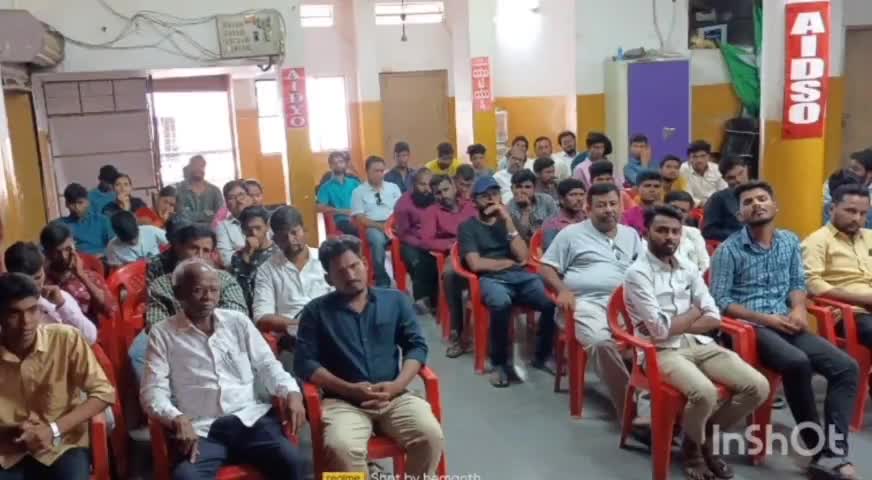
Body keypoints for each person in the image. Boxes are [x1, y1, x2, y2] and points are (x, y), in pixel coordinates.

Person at [710, 181, 860, 479]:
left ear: (775, 206)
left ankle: (835, 451)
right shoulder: (729, 250)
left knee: (846, 367)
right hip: (750, 327)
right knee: (797, 363)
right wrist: (766, 320)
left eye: (762, 198)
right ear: (740, 215)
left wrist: (799, 309)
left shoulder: (789, 241)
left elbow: (797, 283)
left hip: (787, 322)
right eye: (748, 202)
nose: (756, 204)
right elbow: (721, 301)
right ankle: (818, 450)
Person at [624, 206, 769, 480]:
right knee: (704, 393)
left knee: (757, 387)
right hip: (658, 351)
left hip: (698, 342)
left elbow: (713, 316)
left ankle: (701, 440)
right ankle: (694, 453)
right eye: (662, 230)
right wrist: (693, 310)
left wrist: (678, 322)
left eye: (675, 231)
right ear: (646, 233)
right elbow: (659, 332)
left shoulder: (688, 267)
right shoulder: (637, 273)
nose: (669, 237)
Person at [141, 260, 306, 480]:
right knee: (186, 476)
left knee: (292, 462)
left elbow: (267, 365)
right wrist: (176, 417)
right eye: (198, 290)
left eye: (214, 290)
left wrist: (291, 391)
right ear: (179, 294)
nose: (208, 297)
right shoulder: (163, 333)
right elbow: (152, 392)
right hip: (202, 429)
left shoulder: (237, 322)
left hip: (250, 419)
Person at [294, 236, 444, 475]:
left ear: (365, 264)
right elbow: (305, 362)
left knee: (431, 435)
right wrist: (348, 389)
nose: (350, 275)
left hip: (394, 397)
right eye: (340, 271)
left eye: (354, 266)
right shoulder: (316, 311)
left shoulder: (395, 300)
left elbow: (416, 346)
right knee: (339, 447)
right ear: (328, 279)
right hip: (342, 402)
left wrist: (397, 386)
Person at [540, 182, 643, 424]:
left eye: (613, 204)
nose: (609, 210)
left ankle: (656, 406)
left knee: (660, 337)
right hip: (586, 303)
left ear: (621, 206)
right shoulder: (571, 234)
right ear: (588, 209)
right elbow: (545, 267)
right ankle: (630, 411)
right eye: (601, 205)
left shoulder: (630, 235)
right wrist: (562, 290)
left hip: (627, 304)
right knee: (600, 342)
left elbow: (642, 268)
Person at [0, 273, 115, 480]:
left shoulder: (66, 339)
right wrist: (11, 431)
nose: (26, 323)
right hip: (7, 450)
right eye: (14, 314)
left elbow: (104, 393)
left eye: (32, 310)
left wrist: (52, 429)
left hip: (62, 445)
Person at [458, 177, 557, 386]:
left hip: (519, 276)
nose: (491, 200)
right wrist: (506, 262)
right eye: (485, 196)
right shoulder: (467, 227)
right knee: (501, 304)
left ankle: (542, 356)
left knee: (550, 303)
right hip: (490, 278)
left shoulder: (508, 220)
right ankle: (499, 364)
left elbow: (523, 256)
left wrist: (508, 222)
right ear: (474, 201)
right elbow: (476, 264)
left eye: (494, 194)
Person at [129, 224, 247, 382]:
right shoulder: (162, 285)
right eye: (194, 248)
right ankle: (163, 395)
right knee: (138, 352)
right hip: (176, 341)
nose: (199, 256)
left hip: (219, 340)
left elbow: (235, 318)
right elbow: (156, 325)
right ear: (179, 249)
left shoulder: (224, 280)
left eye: (206, 251)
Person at [803, 184, 872, 350]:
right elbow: (811, 283)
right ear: (832, 208)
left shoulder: (869, 237)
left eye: (863, 213)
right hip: (850, 313)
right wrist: (863, 299)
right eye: (850, 211)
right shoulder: (817, 241)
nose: (857, 218)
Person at [253, 206, 332, 348]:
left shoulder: (326, 259)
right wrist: (303, 326)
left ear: (305, 231)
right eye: (283, 236)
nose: (290, 240)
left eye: (294, 232)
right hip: (292, 337)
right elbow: (262, 317)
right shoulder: (267, 270)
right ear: (275, 240)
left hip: (330, 328)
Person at [419, 175, 478, 356]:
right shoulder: (431, 212)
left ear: (453, 186)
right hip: (454, 255)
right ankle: (457, 333)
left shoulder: (470, 206)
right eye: (438, 193)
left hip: (478, 251)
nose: (443, 195)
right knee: (451, 276)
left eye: (446, 189)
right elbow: (427, 241)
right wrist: (453, 244)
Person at [3, 243, 96, 345]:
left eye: (38, 277)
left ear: (44, 270)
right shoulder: (5, 309)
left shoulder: (60, 298)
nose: (33, 286)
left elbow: (90, 338)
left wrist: (62, 306)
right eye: (26, 281)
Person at [39, 223, 115, 322]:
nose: (63, 256)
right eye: (57, 252)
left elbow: (109, 311)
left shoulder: (89, 275)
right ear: (47, 253)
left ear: (73, 246)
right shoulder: (42, 279)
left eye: (67, 249)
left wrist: (82, 276)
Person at [351, 156, 402, 287]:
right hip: (372, 225)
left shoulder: (393, 188)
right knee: (377, 240)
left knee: (409, 239)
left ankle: (401, 276)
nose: (380, 174)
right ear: (367, 172)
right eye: (376, 171)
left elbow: (402, 210)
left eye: (382, 171)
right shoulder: (358, 192)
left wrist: (393, 224)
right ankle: (382, 278)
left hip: (394, 224)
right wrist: (381, 226)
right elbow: (360, 218)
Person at [394, 169, 438, 310]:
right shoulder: (403, 204)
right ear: (414, 185)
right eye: (422, 184)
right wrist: (422, 244)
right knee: (419, 262)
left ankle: (439, 300)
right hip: (412, 242)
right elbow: (403, 234)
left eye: (430, 185)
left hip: (435, 240)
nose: (427, 189)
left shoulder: (437, 197)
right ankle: (423, 300)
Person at [228, 206, 279, 315]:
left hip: (274, 310)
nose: (254, 233)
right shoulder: (238, 256)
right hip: (247, 313)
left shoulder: (279, 253)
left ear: (267, 226)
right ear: (242, 230)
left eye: (258, 228)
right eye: (248, 229)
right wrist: (246, 256)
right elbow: (237, 291)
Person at [701, 156, 749, 242]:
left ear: (746, 169)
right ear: (724, 179)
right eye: (731, 178)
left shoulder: (760, 193)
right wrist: (739, 235)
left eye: (740, 173)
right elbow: (708, 231)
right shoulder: (718, 198)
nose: (738, 180)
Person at [57, 183, 113, 256]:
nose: (77, 207)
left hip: (102, 259)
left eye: (80, 203)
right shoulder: (60, 225)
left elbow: (115, 246)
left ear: (88, 202)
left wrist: (103, 255)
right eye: (72, 203)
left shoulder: (103, 221)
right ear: (66, 204)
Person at [507, 170, 559, 244]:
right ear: (512, 189)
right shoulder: (508, 208)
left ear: (534, 189)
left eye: (527, 187)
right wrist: (526, 212)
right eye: (518, 187)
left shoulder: (546, 200)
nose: (523, 191)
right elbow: (520, 238)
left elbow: (556, 226)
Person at [664, 191, 711, 273]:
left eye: (683, 210)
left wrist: (696, 278)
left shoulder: (694, 233)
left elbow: (705, 263)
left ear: (689, 213)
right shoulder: (654, 232)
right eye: (674, 208)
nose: (677, 212)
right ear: (664, 208)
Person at [317, 151, 362, 236]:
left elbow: (366, 197)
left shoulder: (354, 183)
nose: (338, 165)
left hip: (359, 217)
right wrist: (342, 211)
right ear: (330, 166)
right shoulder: (326, 187)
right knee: (353, 229)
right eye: (334, 163)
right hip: (342, 220)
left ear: (345, 164)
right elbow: (319, 207)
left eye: (341, 162)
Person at [823, 148, 872, 223]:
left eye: (855, 169)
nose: (850, 171)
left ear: (869, 174)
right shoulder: (836, 181)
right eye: (849, 167)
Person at [174, 155, 224, 225]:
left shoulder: (215, 191)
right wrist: (207, 215)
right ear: (189, 168)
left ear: (204, 168)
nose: (198, 169)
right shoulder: (177, 190)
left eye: (201, 166)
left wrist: (190, 215)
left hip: (211, 231)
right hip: (186, 231)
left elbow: (221, 217)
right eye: (195, 165)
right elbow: (180, 216)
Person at [215, 180, 254, 267]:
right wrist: (246, 251)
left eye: (241, 195)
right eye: (232, 197)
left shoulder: (265, 220)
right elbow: (226, 261)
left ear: (250, 198)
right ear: (226, 204)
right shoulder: (223, 227)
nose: (239, 201)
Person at [541, 178, 586, 250]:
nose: (579, 199)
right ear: (561, 199)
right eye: (573, 195)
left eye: (581, 194)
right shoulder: (552, 224)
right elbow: (551, 252)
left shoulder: (588, 218)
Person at [680, 141, 727, 207]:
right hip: (694, 207)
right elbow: (687, 196)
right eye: (694, 156)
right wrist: (704, 204)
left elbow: (724, 190)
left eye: (703, 156)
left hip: (717, 205)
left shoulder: (716, 168)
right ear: (689, 158)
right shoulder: (683, 170)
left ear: (709, 156)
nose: (699, 160)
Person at [621, 170, 663, 236]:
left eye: (656, 186)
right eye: (647, 186)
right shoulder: (627, 215)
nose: (652, 190)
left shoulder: (667, 214)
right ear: (637, 189)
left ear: (661, 189)